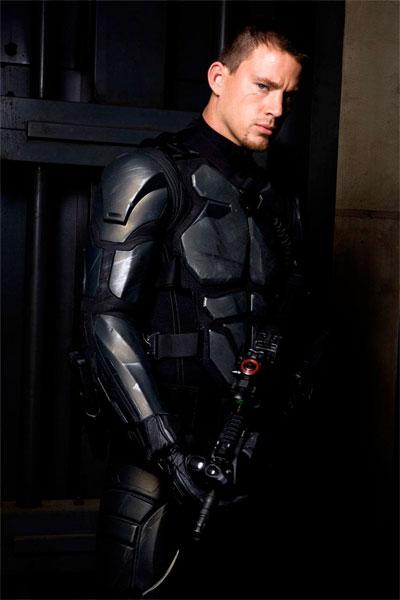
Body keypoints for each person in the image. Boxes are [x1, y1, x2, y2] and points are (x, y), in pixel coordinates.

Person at [80, 24, 322, 599]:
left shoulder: (280, 201)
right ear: (219, 77)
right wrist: (166, 449)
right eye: (263, 87)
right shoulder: (147, 174)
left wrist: (267, 432)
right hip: (156, 466)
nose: (276, 109)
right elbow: (104, 319)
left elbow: (297, 325)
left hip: (250, 465)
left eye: (288, 96)